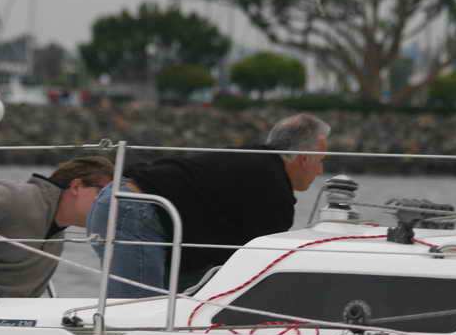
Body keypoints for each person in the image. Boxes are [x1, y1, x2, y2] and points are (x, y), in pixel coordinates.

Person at [87, 113, 330, 298]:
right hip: (135, 210)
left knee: (154, 309)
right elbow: (254, 268)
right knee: (134, 316)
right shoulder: (274, 190)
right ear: (304, 158)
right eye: (320, 161)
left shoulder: (253, 160)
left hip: (121, 201)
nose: (320, 170)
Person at [0, 156, 113, 297]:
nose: (110, 205)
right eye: (105, 195)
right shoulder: (15, 197)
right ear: (77, 186)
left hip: (1, 316)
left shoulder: (56, 233)